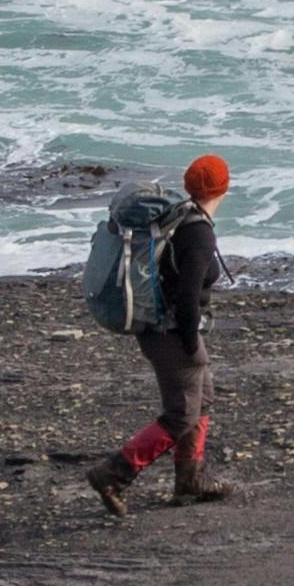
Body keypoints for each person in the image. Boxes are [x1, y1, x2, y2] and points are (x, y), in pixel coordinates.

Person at [87, 154, 236, 511]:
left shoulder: (179, 217)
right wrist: (189, 341)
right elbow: (187, 296)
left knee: (203, 399)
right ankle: (114, 473)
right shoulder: (198, 231)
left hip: (160, 327)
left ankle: (190, 480)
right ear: (223, 189)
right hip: (170, 331)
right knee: (181, 413)